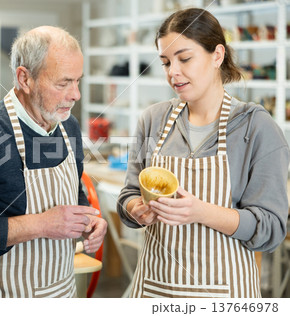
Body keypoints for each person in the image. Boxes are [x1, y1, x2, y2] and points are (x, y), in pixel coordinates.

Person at [117, 8, 289, 298]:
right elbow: (128, 194)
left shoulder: (256, 126)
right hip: (154, 289)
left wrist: (201, 212)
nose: (173, 72)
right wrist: (137, 210)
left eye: (184, 59)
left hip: (223, 295)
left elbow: (271, 229)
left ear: (217, 55)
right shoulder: (153, 120)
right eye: (165, 62)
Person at [0, 26, 107, 298]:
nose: (75, 94)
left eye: (78, 81)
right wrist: (41, 224)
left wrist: (87, 220)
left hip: (62, 294)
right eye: (63, 83)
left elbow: (73, 192)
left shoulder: (68, 127)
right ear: (24, 78)